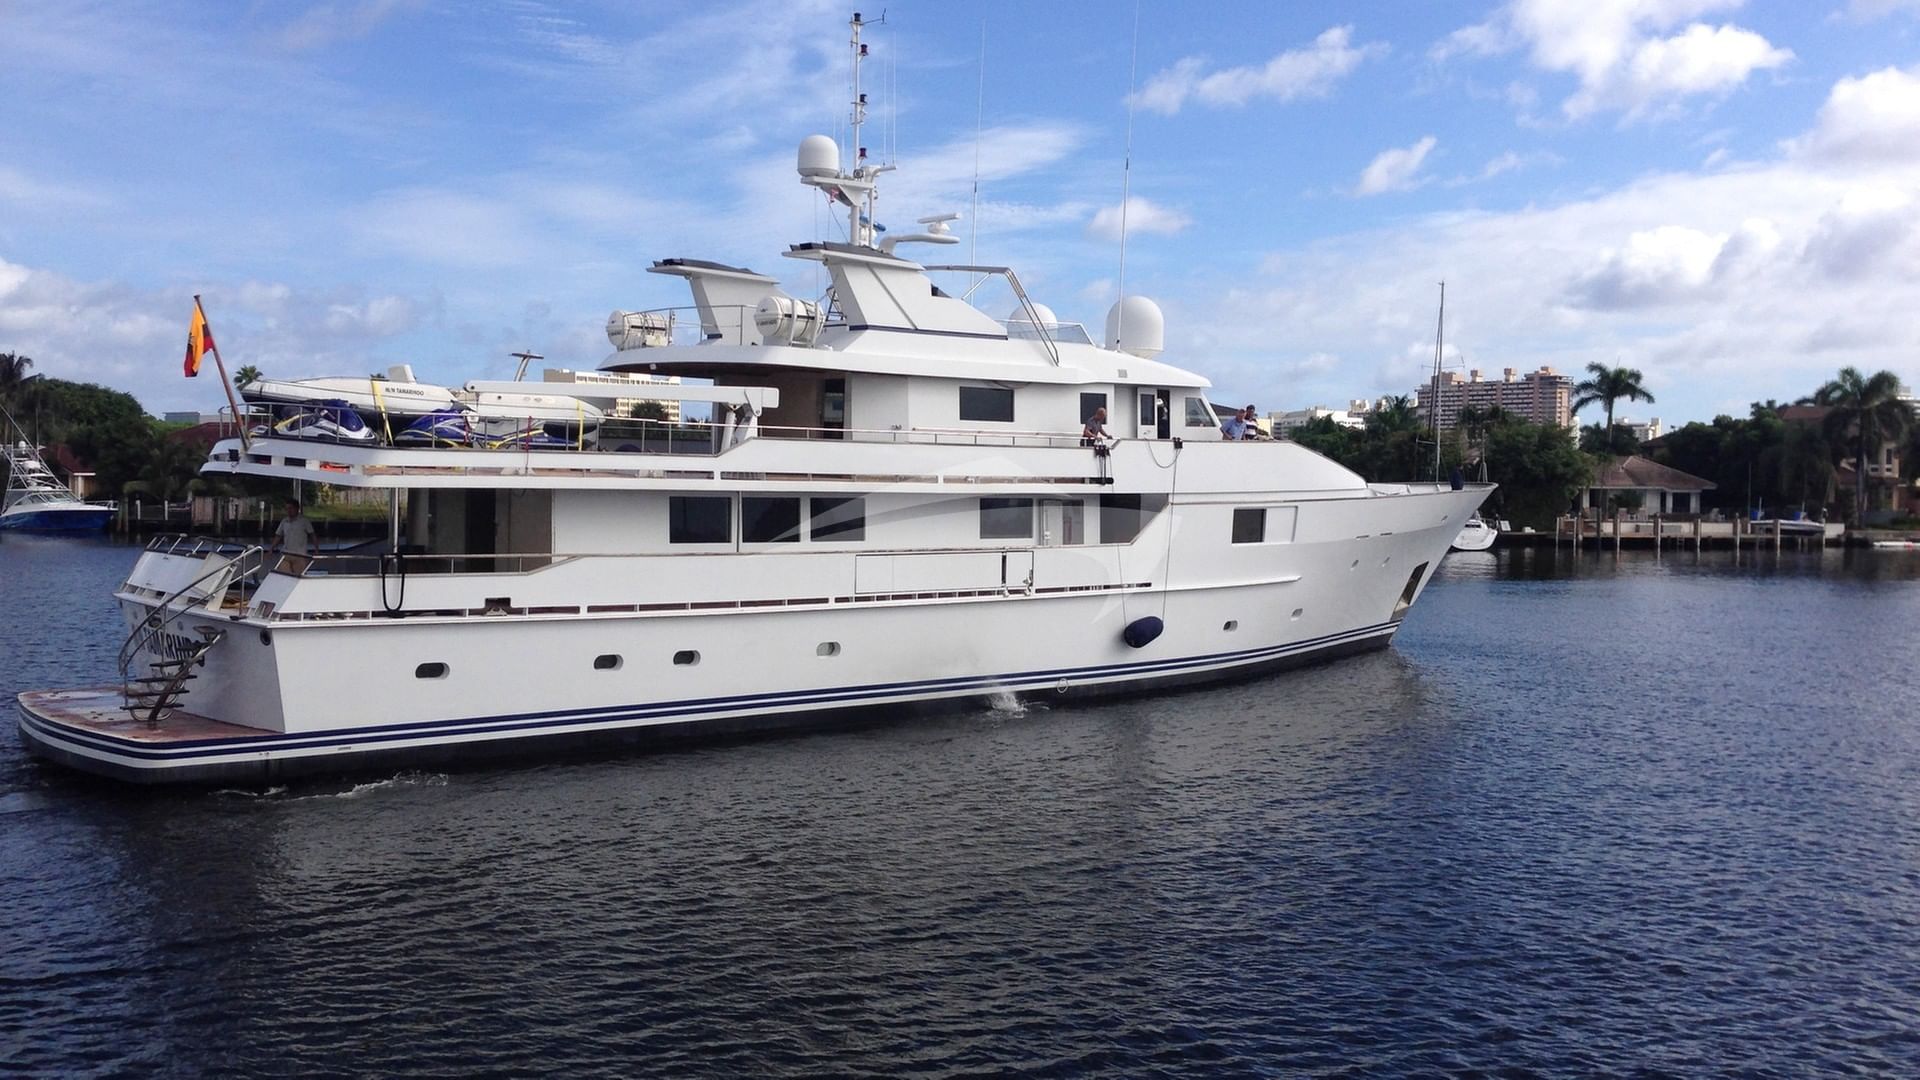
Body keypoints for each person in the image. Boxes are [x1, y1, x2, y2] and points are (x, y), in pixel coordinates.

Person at [269, 499, 317, 573]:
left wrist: (316, 548)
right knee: (285, 576)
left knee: (298, 577)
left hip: (300, 555)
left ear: (297, 508)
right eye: (287, 509)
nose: (289, 511)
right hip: (286, 554)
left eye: (291, 508)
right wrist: (271, 549)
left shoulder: (304, 521)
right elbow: (278, 536)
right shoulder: (284, 521)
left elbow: (312, 535)